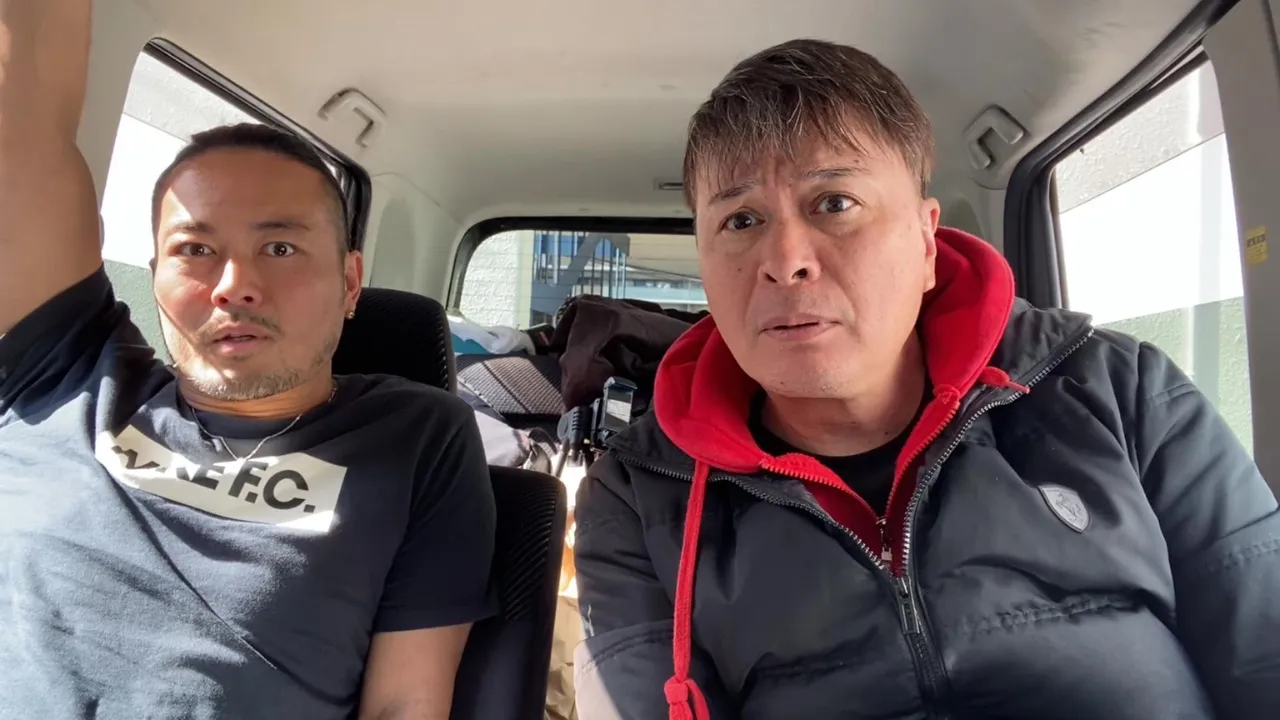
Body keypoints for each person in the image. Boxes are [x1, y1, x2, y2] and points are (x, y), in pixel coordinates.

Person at [572, 38, 1280, 720]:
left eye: (834, 203)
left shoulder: (1123, 393)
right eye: (741, 219)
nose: (785, 261)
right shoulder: (638, 497)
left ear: (925, 240)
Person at [0, 2, 495, 718]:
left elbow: (405, 705)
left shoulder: (417, 437)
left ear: (350, 282)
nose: (234, 285)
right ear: (155, 275)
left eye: (280, 247)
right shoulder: (66, 369)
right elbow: (21, 117)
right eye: (196, 249)